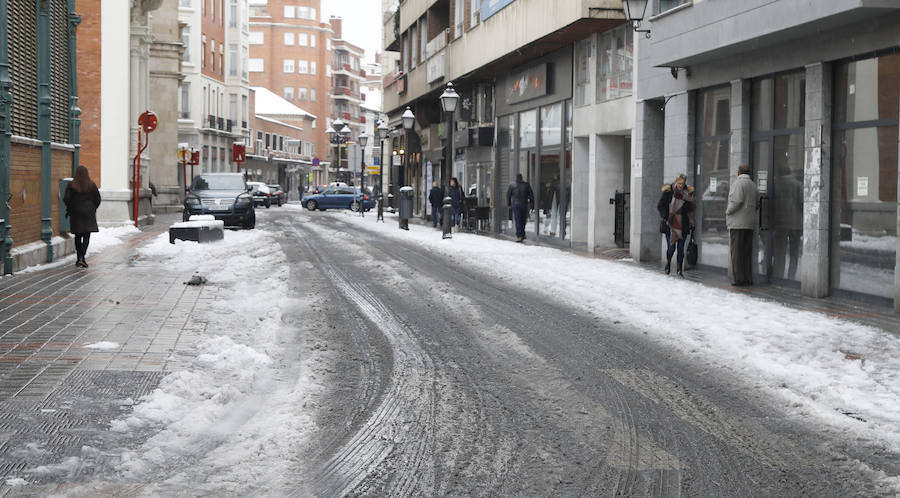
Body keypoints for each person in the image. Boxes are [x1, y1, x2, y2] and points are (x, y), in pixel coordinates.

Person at [726, 164, 759, 286]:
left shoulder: (738, 184)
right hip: (749, 223)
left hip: (737, 223)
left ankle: (738, 279)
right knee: (746, 252)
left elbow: (736, 201)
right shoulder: (753, 185)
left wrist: (728, 211)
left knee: (736, 252)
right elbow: (757, 204)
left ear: (738, 173)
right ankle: (748, 278)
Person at [63, 165, 101, 268]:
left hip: (76, 213)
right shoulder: (91, 185)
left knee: (78, 236)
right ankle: (82, 258)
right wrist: (92, 208)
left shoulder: (72, 185)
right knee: (86, 236)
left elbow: (66, 199)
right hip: (89, 213)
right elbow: (98, 199)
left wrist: (71, 208)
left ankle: (78, 258)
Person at [657, 174, 695, 276]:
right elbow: (660, 206)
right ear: (675, 182)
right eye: (679, 183)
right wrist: (666, 216)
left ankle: (679, 269)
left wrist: (692, 221)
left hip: (683, 224)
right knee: (671, 248)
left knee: (681, 249)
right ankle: (668, 263)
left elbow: (691, 209)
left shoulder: (688, 193)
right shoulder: (668, 192)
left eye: (683, 184)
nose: (681, 186)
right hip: (669, 223)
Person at [507, 173, 534, 242]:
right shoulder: (526, 185)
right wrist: (532, 204)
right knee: (523, 220)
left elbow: (508, 195)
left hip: (516, 204)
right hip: (524, 204)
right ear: (522, 178)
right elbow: (531, 195)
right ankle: (522, 233)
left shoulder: (512, 185)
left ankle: (519, 235)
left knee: (518, 219)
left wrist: (509, 204)